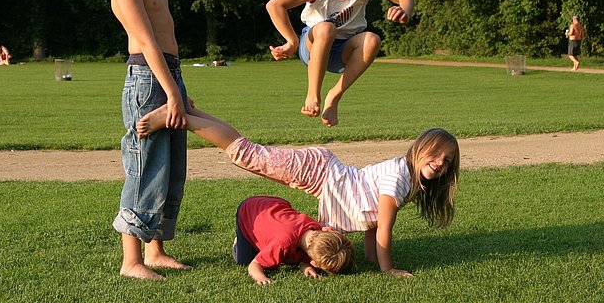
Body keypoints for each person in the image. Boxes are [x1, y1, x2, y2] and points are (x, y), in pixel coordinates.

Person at [137, 106, 460, 277]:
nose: (440, 164)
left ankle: (195, 112)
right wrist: (388, 269)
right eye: (436, 154)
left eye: (446, 162)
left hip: (323, 171)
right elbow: (384, 230)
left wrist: (372, 260)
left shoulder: (406, 176)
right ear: (419, 149)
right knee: (247, 154)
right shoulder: (399, 179)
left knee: (252, 152)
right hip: (320, 172)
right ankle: (178, 118)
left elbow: (372, 223)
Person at [110, 0, 193, 280]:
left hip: (167, 74)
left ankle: (155, 250)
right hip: (148, 80)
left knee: (171, 167)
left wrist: (179, 90)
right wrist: (171, 92)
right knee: (145, 166)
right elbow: (146, 42)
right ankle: (132, 261)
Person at [266, 0, 416, 127]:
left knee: (372, 39)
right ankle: (313, 95)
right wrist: (291, 41)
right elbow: (275, 4)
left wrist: (404, 11)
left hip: (342, 51)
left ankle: (334, 96)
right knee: (327, 28)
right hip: (311, 46)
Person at [233, 195, 356, 285]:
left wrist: (306, 267)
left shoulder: (315, 230)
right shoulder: (283, 244)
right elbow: (254, 264)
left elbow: (303, 257)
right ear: (315, 262)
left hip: (275, 204)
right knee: (244, 260)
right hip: (249, 211)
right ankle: (238, 241)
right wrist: (261, 277)